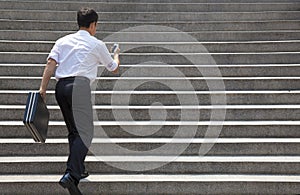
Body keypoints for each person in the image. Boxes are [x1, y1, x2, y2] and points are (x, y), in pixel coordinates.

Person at [39, 7, 120, 195]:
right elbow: (113, 68)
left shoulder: (62, 41)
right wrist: (116, 53)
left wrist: (43, 88)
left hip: (61, 88)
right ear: (93, 25)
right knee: (86, 133)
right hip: (79, 87)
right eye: (96, 26)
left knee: (74, 131)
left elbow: (50, 64)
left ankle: (79, 170)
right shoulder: (97, 44)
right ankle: (71, 173)